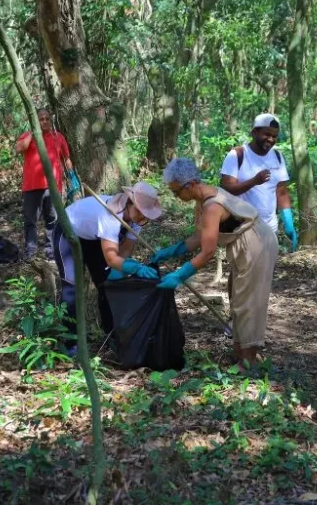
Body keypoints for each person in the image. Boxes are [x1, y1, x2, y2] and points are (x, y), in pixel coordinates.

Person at [156, 157, 278, 369]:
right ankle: (240, 353)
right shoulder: (202, 202)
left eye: (177, 192)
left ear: (191, 184)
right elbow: (198, 238)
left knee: (249, 302)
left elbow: (208, 251)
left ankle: (249, 361)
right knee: (238, 299)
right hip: (243, 245)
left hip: (257, 243)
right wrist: (170, 252)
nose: (176, 197)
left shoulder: (213, 205)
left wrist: (180, 275)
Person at [51, 183, 162, 354]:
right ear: (129, 203)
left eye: (145, 215)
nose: (142, 217)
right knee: (72, 286)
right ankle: (70, 342)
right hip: (68, 232)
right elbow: (112, 258)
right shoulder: (109, 216)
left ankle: (112, 335)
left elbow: (123, 252)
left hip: (94, 238)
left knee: (106, 284)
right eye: (140, 212)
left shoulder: (136, 220)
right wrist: (134, 268)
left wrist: (120, 270)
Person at [220, 113, 297, 251]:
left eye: (274, 136)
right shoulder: (237, 155)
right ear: (254, 132)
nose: (270, 139)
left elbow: (281, 192)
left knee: (267, 271)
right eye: (266, 134)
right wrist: (253, 182)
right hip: (243, 227)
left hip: (269, 228)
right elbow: (226, 188)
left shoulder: (277, 157)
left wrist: (288, 223)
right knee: (244, 271)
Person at [16, 109, 74, 259]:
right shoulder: (28, 136)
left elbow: (66, 158)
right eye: (41, 119)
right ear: (36, 121)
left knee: (52, 220)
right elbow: (19, 148)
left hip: (53, 187)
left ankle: (51, 251)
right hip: (31, 186)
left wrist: (72, 176)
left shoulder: (58, 137)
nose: (45, 121)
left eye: (47, 118)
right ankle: (30, 251)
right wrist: (33, 134)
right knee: (30, 220)